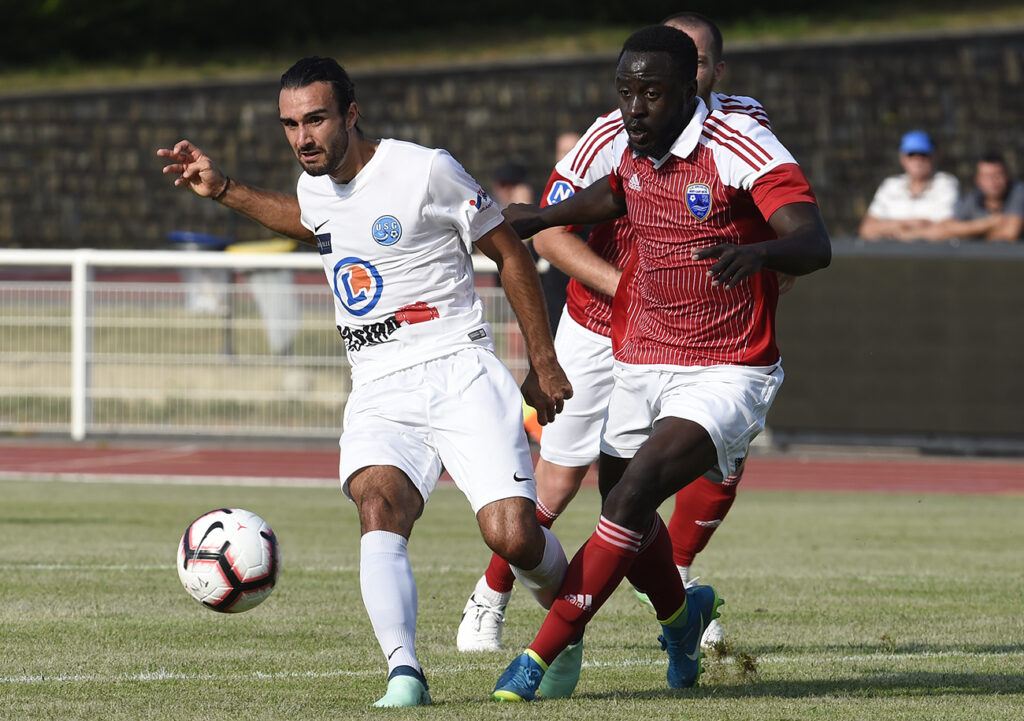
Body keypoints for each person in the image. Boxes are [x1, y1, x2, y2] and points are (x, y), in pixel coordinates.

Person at [157, 56, 575, 708]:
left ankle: (565, 630)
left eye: (316, 119)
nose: (303, 137)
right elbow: (309, 218)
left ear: (351, 113)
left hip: (459, 368)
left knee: (513, 536)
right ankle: (404, 672)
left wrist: (542, 362)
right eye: (291, 124)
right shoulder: (316, 185)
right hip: (379, 383)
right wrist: (222, 188)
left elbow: (509, 250)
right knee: (377, 505)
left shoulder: (425, 170)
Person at [489, 25, 830, 701]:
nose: (634, 106)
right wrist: (541, 216)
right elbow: (616, 194)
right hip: (643, 355)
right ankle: (680, 618)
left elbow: (813, 240)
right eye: (625, 91)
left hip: (730, 366)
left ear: (690, 88)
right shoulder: (632, 143)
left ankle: (538, 657)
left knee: (633, 488)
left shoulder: (738, 144)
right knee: (626, 506)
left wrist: (760, 253)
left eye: (650, 92)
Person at [858, 130, 959, 242]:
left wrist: (901, 233)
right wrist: (909, 224)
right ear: (902, 158)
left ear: (934, 156)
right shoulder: (890, 185)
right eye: (911, 154)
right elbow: (867, 229)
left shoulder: (946, 182)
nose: (918, 160)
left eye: (923, 154)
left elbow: (946, 229)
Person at [922, 152, 1024, 242]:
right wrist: (990, 223)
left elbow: (1009, 234)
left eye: (997, 175)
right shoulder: (973, 198)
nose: (992, 182)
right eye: (987, 176)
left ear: (1008, 176)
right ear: (978, 179)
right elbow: (947, 230)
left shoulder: (1018, 192)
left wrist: (967, 232)